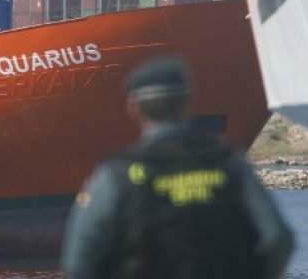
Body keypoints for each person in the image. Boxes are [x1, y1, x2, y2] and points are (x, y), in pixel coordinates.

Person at [60, 56, 294, 279]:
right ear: (189, 102)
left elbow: (77, 263)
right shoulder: (229, 163)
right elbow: (279, 239)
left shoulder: (116, 174)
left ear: (134, 108)